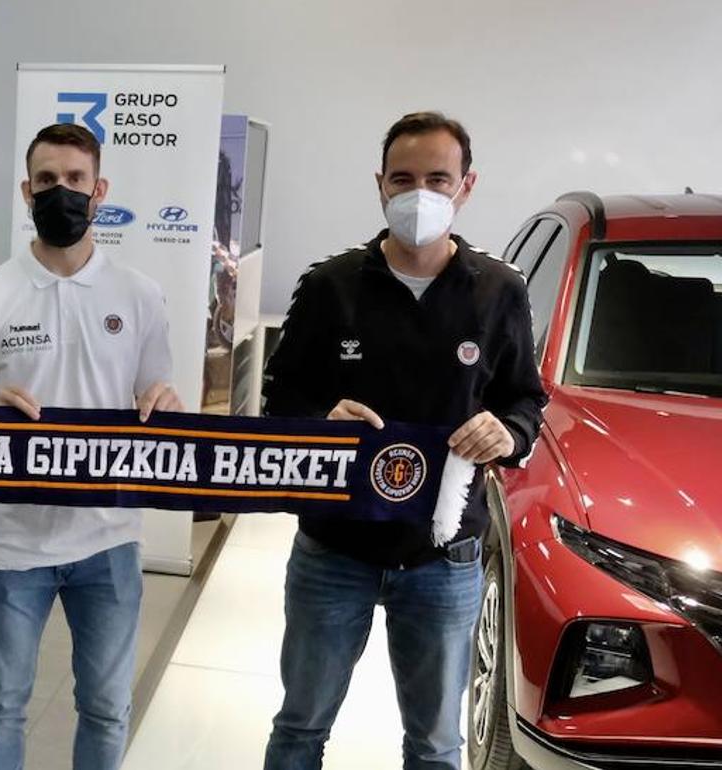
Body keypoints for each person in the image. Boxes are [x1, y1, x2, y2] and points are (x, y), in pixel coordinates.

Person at [261, 111, 547, 770]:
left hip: (442, 556)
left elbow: (526, 400)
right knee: (300, 725)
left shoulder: (498, 291)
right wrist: (319, 421)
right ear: (380, 185)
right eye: (403, 178)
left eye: (438, 179)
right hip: (334, 550)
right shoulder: (330, 286)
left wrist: (506, 431)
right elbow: (281, 400)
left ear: (466, 186)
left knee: (436, 744)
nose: (420, 194)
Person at [0, 122, 182, 770]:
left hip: (108, 537)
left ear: (100, 190)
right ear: (27, 191)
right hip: (10, 542)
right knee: (1, 703)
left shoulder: (140, 295)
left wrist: (166, 409)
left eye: (76, 179)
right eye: (47, 180)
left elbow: (155, 402)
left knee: (106, 707)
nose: (61, 191)